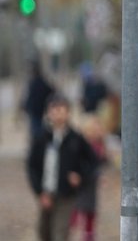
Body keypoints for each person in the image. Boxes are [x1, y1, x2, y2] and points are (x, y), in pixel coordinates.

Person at [26, 95, 96, 241]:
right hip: (46, 193)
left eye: (61, 109)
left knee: (60, 232)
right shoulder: (41, 138)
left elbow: (93, 161)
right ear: (48, 113)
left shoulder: (76, 138)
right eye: (54, 109)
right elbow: (32, 166)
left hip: (67, 194)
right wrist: (39, 191)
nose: (58, 113)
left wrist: (80, 176)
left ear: (68, 112)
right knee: (43, 231)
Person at [71, 117, 107, 241]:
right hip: (83, 181)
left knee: (91, 210)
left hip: (92, 183)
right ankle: (72, 228)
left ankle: (89, 235)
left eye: (98, 129)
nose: (97, 132)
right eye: (94, 129)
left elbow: (101, 163)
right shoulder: (83, 145)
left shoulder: (101, 145)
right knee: (77, 206)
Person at [24, 62, 56, 141]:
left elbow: (29, 97)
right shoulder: (42, 82)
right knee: (38, 128)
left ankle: (37, 142)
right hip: (39, 109)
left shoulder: (33, 83)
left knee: (36, 129)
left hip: (35, 110)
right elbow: (51, 90)